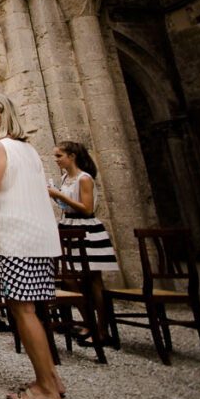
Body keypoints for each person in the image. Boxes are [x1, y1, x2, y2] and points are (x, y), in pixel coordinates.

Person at [0, 93, 63, 399]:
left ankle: (46, 388)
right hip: (40, 238)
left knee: (23, 310)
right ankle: (52, 378)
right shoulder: (29, 150)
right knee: (34, 310)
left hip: (16, 240)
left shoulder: (0, 148)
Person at [48, 140, 118, 341]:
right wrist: (56, 197)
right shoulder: (64, 178)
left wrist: (59, 194)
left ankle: (102, 329)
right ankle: (88, 323)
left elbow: (87, 208)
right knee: (69, 277)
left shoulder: (84, 178)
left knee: (94, 280)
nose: (56, 160)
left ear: (72, 156)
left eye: (59, 156)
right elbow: (66, 204)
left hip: (86, 229)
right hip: (69, 227)